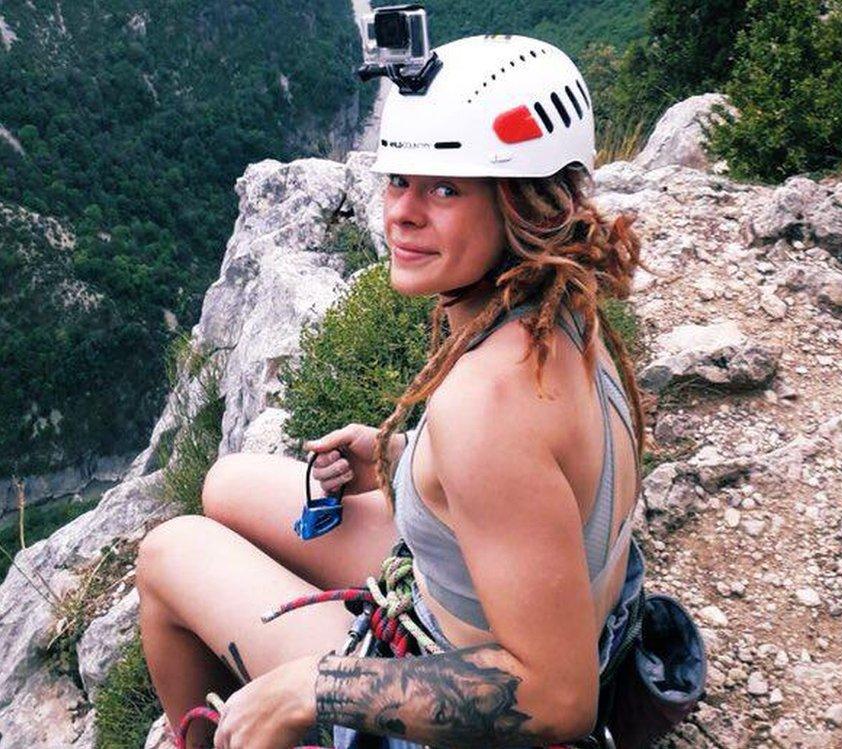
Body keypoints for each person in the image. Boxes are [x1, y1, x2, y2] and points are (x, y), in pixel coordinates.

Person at [135, 34, 651, 749]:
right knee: (227, 483)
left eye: (445, 188)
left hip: (456, 691)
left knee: (168, 552)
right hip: (525, 607)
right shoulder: (559, 309)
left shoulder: (488, 406)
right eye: (398, 179)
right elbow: (537, 478)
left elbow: (558, 697)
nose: (403, 213)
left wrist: (312, 686)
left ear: (526, 203)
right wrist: (405, 458)